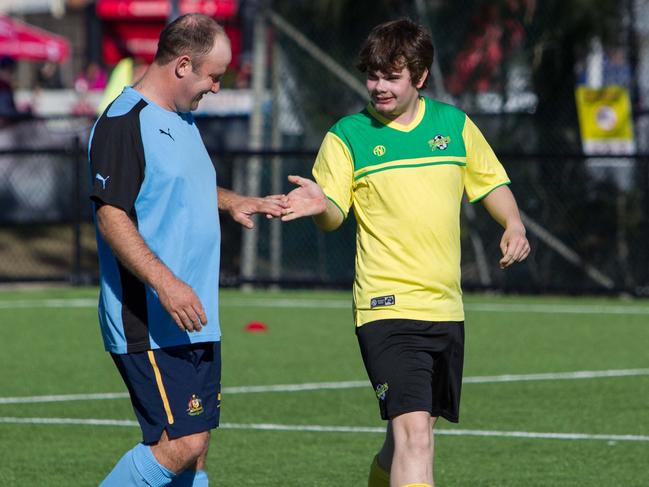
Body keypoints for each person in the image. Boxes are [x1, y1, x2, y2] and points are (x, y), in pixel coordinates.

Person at [282, 18, 530, 487]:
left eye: (391, 76)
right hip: (385, 308)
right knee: (417, 438)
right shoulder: (347, 136)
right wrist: (320, 206)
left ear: (419, 77)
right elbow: (334, 212)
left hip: (445, 307)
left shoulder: (453, 126)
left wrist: (513, 222)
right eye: (372, 75)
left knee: (405, 439)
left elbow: (490, 181)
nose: (378, 87)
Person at [88, 14, 287, 487]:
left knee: (196, 450)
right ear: (182, 65)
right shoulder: (123, 122)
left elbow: (177, 184)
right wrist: (167, 284)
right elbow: (111, 214)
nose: (217, 87)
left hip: (195, 314)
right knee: (182, 445)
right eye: (213, 76)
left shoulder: (181, 118)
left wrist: (233, 200)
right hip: (151, 317)